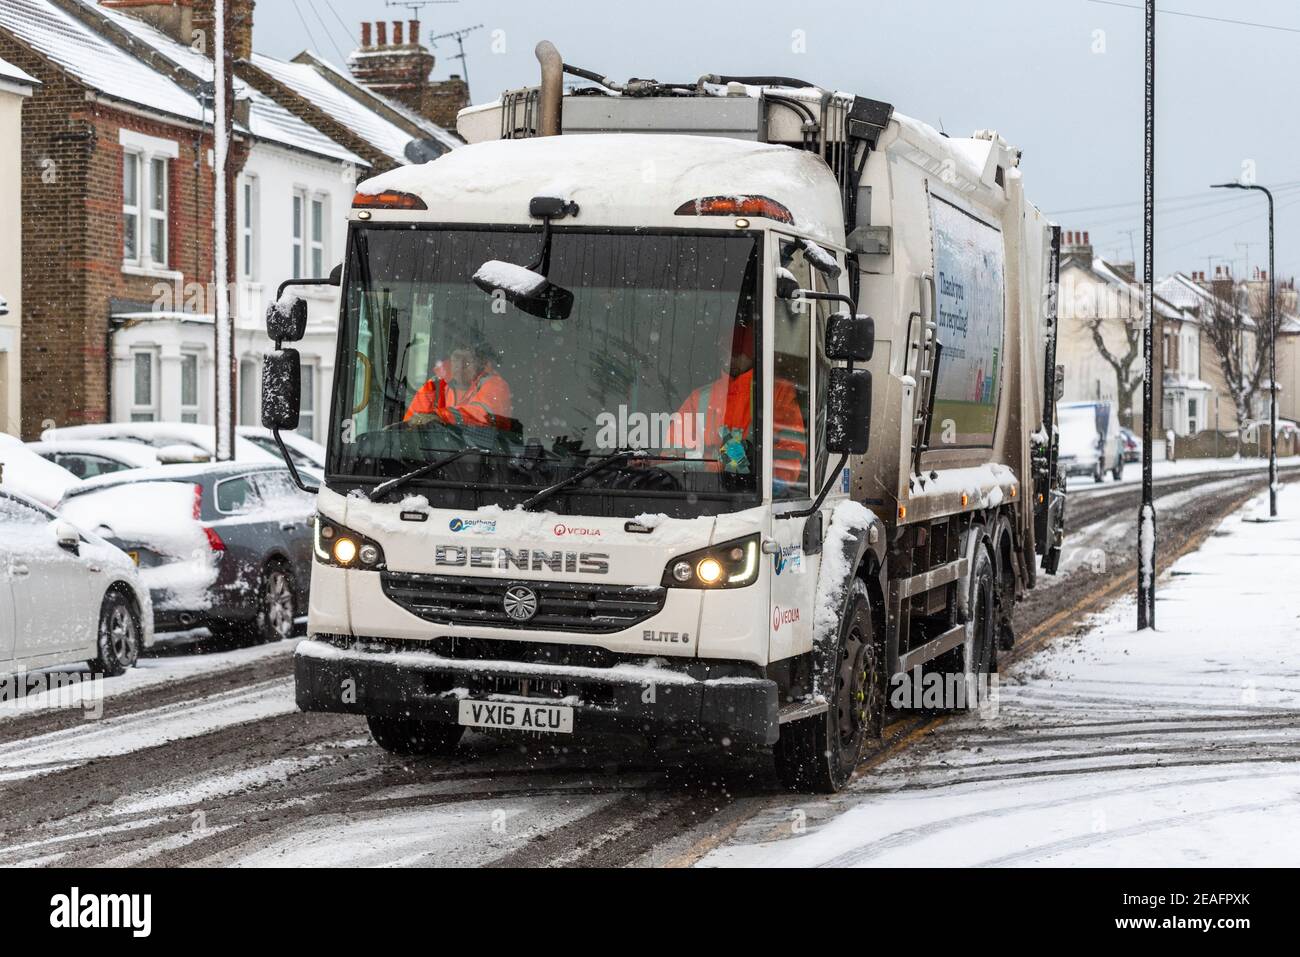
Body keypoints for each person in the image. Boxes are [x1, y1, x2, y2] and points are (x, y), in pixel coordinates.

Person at [667, 321, 807, 489]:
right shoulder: (698, 398)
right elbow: (672, 457)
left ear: (752, 353)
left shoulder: (777, 393)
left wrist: (756, 465)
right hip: (703, 494)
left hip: (754, 501)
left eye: (739, 352)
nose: (730, 357)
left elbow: (791, 453)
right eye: (726, 350)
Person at [403, 330, 513, 429]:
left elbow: (483, 416)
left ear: (480, 363)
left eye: (467, 360)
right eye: (456, 358)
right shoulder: (434, 387)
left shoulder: (495, 386)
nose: (460, 366)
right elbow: (410, 426)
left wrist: (440, 416)